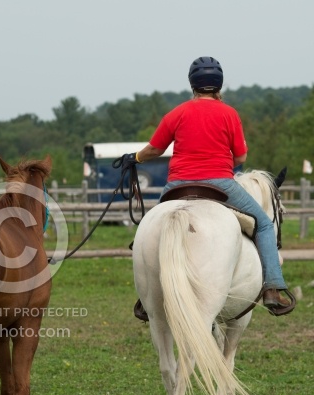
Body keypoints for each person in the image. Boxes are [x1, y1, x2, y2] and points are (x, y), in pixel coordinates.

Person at [122, 56, 295, 318]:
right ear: (219, 85)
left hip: (177, 185)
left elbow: (155, 149)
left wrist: (135, 158)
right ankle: (272, 288)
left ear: (192, 84)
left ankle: (147, 296)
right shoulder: (229, 113)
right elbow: (241, 157)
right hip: (220, 184)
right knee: (262, 223)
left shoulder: (177, 113)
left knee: (150, 228)